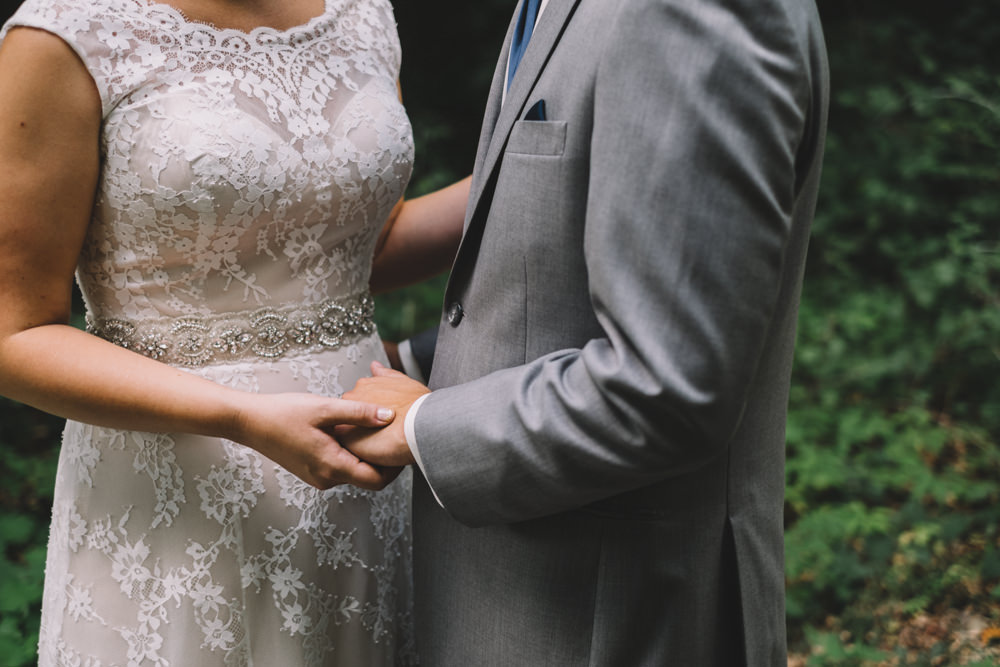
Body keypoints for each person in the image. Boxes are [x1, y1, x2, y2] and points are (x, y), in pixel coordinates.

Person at [342, 0, 830, 663]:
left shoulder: (687, 10)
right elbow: (555, 279)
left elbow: (667, 386)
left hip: (607, 614)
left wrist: (426, 426)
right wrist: (414, 360)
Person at [0, 0, 469, 664]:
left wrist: (531, 175)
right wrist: (240, 415)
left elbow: (358, 245)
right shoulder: (67, 33)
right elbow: (13, 335)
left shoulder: (362, 12)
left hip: (361, 479)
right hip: (177, 495)